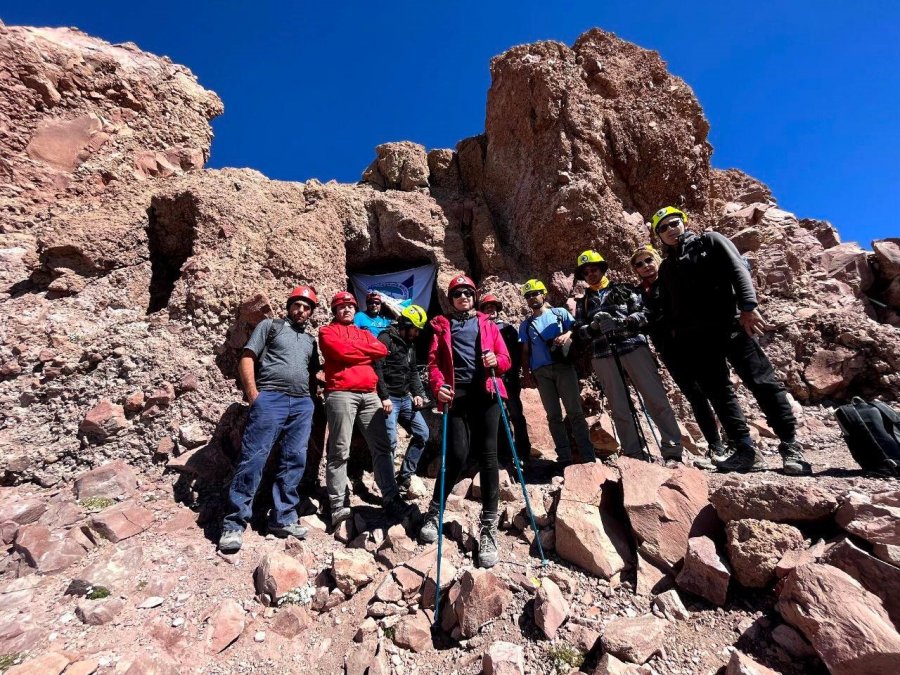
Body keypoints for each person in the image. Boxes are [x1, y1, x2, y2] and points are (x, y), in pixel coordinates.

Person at [652, 206, 812, 475]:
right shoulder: (667, 267)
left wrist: (748, 305)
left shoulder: (711, 241)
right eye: (663, 228)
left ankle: (790, 444)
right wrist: (678, 337)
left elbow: (738, 269)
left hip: (733, 325)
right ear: (659, 236)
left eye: (674, 223)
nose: (670, 230)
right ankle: (744, 449)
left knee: (761, 382)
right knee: (719, 393)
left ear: (684, 221)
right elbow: (669, 308)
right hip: (699, 340)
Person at [219, 285, 320, 553]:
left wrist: (311, 400)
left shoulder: (311, 341)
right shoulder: (270, 326)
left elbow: (312, 374)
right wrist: (254, 395)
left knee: (294, 460)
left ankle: (283, 518)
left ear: (311, 313)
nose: (301, 310)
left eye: (307, 307)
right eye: (297, 305)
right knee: (254, 458)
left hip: (301, 404)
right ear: (289, 306)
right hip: (271, 398)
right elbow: (247, 357)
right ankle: (233, 522)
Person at [419, 275, 511, 568]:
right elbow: (433, 364)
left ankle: (488, 526)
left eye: (467, 293)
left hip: (486, 395)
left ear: (473, 296)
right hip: (455, 397)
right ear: (451, 298)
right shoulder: (441, 327)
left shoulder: (488, 324)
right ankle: (435, 510)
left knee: (488, 458)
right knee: (456, 455)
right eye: (457, 293)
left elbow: (505, 359)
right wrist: (437, 388)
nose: (462, 297)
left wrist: (497, 362)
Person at [572, 250, 684, 465]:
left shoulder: (625, 289)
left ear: (602, 269)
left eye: (594, 269)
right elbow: (579, 332)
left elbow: (645, 314)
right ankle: (634, 454)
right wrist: (593, 327)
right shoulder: (583, 303)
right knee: (619, 406)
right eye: (586, 272)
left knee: (655, 398)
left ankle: (672, 450)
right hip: (602, 355)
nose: (591, 274)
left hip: (633, 347)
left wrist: (622, 323)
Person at [319, 291, 413, 528]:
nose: (347, 309)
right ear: (334, 311)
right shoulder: (327, 331)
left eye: (350, 306)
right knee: (339, 449)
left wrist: (355, 352)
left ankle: (391, 497)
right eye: (341, 307)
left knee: (382, 446)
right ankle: (338, 505)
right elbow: (338, 352)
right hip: (341, 392)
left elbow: (381, 350)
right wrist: (363, 353)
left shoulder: (362, 331)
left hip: (370, 394)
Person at [630, 246, 722, 467]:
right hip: (669, 350)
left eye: (648, 260)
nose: (645, 266)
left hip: (694, 341)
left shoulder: (674, 278)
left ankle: (738, 443)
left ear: (658, 259)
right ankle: (715, 445)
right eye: (639, 264)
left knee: (717, 391)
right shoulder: (639, 293)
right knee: (695, 396)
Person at [517, 279, 596, 465]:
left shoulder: (559, 313)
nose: (532, 298)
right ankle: (564, 458)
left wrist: (566, 335)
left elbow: (576, 329)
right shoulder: (526, 325)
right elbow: (525, 351)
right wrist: (527, 374)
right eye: (528, 296)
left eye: (535, 293)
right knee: (553, 416)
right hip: (541, 372)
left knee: (575, 412)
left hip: (563, 367)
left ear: (543, 294)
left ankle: (587, 455)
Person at [374, 304, 431, 496]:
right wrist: (384, 397)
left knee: (422, 434)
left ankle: (406, 475)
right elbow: (377, 368)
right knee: (389, 442)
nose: (417, 333)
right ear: (405, 324)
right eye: (415, 329)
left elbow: (413, 371)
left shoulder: (410, 344)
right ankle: (387, 486)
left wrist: (418, 394)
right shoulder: (385, 338)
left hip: (405, 398)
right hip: (389, 399)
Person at [478, 293, 532, 461]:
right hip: (491, 380)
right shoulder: (480, 330)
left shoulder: (508, 329)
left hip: (509, 378)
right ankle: (506, 453)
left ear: (498, 309)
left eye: (493, 306)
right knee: (500, 417)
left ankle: (523, 451)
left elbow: (516, 354)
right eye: (487, 307)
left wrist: (512, 371)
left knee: (516, 414)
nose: (490, 309)